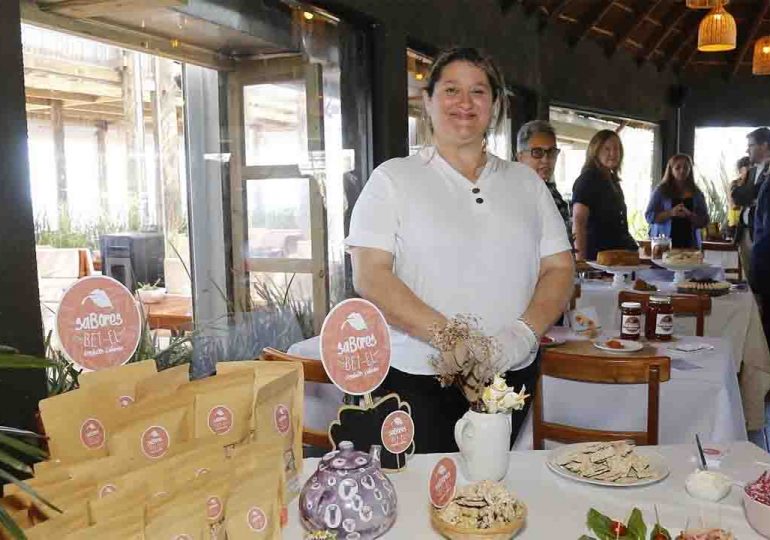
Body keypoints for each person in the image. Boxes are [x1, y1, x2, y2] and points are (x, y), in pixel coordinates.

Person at [346, 47, 573, 453]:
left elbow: (559, 268)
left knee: (492, 498)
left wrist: (520, 336)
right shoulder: (393, 179)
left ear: (496, 105)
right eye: (451, 90)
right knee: (420, 503)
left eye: (479, 91)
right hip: (415, 376)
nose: (464, 103)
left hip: (507, 377)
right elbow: (370, 274)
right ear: (428, 100)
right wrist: (453, 341)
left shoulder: (527, 184)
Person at [571, 130, 638, 261]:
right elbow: (579, 222)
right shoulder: (587, 179)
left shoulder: (612, 180)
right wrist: (581, 262)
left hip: (617, 258)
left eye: (616, 149)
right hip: (597, 259)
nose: (613, 153)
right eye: (607, 149)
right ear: (595, 151)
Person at [516, 120, 571, 241]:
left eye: (551, 152)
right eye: (537, 152)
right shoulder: (513, 195)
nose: (546, 159)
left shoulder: (551, 191)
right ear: (520, 157)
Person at [644, 154, 709, 249]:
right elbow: (649, 216)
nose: (682, 171)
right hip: (664, 245)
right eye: (677, 168)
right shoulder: (661, 191)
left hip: (690, 246)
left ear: (690, 170)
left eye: (686, 168)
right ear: (671, 170)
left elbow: (705, 220)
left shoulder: (696, 193)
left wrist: (690, 215)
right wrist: (671, 213)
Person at [732, 127, 770, 287]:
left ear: (764, 145)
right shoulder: (752, 171)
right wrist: (751, 197)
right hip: (745, 232)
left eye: (751, 145)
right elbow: (737, 196)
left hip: (762, 235)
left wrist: (753, 197)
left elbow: (760, 197)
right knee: (750, 282)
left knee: (763, 282)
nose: (747, 150)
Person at [727, 156, 751, 240]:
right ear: (741, 170)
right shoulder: (735, 184)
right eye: (748, 169)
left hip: (748, 225)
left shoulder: (752, 185)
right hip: (734, 225)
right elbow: (734, 205)